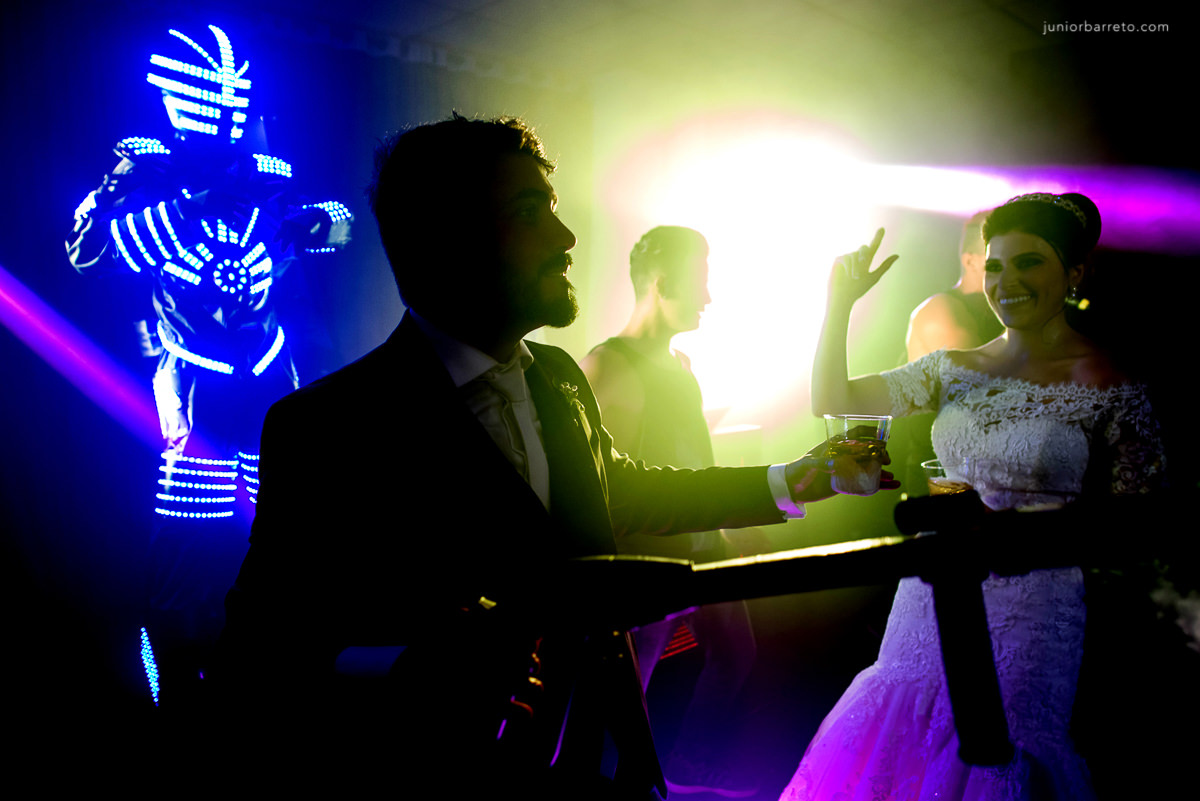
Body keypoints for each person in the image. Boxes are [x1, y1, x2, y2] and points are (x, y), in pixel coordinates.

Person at [213, 114, 895, 798]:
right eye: (530, 211)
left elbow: (622, 491)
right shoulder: (326, 425)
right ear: (446, 238)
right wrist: (405, 665)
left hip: (594, 760)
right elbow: (258, 650)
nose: (566, 238)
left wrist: (792, 479)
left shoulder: (561, 377)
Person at [780, 192, 1165, 801]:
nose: (1006, 282)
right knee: (904, 737)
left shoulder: (1111, 381)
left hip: (1034, 607)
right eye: (995, 266)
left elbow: (1138, 525)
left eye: (1028, 263)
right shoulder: (951, 368)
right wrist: (839, 304)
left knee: (998, 752)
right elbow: (833, 397)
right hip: (929, 594)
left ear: (1074, 273)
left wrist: (1021, 527)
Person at [65, 23, 351, 706]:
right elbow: (87, 252)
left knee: (279, 542)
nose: (225, 112)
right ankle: (174, 694)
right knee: (187, 555)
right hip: (196, 385)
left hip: (270, 383)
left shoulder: (263, 180)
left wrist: (303, 221)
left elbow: (338, 225)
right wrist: (119, 187)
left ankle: (259, 680)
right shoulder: (154, 188)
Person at [581, 226, 759, 797]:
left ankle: (682, 763)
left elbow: (686, 456)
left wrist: (721, 528)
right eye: (699, 281)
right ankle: (629, 785)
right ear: (660, 284)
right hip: (650, 560)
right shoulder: (607, 367)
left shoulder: (681, 363)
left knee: (737, 654)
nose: (708, 297)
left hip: (704, 546)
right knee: (628, 689)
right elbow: (604, 488)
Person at [896, 211, 1004, 491]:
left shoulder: (1004, 315)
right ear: (970, 261)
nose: (1009, 270)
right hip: (942, 484)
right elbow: (986, 402)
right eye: (996, 261)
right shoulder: (943, 311)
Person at [904, 211, 1003, 361]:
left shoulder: (998, 312)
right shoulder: (940, 310)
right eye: (997, 261)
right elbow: (975, 373)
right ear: (971, 262)